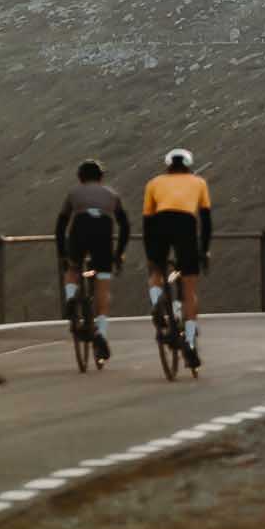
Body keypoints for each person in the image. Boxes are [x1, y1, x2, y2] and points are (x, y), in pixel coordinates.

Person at [140, 148, 215, 373]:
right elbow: (206, 221)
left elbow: (147, 220)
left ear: (167, 165)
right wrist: (204, 251)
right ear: (189, 164)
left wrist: (151, 253)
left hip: (159, 224)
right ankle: (190, 343)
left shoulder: (153, 183)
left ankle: (156, 302)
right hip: (185, 225)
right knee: (189, 288)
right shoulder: (198, 182)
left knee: (156, 271)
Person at [52, 158, 131, 362]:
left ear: (80, 178)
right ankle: (101, 334)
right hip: (103, 231)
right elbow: (125, 226)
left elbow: (60, 226)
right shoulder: (112, 195)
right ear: (101, 177)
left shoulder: (73, 194)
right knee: (102, 284)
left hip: (80, 228)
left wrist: (62, 254)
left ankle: (70, 298)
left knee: (73, 267)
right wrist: (118, 253)